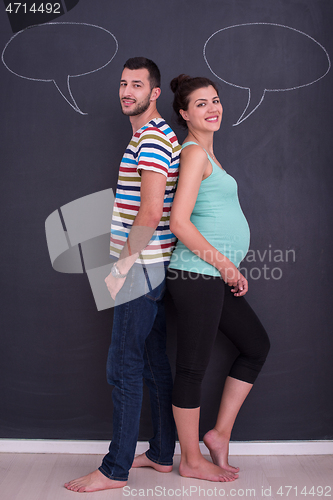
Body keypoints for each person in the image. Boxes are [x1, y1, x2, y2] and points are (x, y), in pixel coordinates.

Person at [65, 57, 180, 493]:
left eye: (137, 85)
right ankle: (162, 453)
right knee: (152, 362)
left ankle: (114, 469)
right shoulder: (154, 136)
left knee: (123, 368)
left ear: (155, 94)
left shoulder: (150, 138)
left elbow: (150, 212)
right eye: (122, 84)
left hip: (139, 268)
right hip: (152, 267)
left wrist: (121, 266)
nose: (126, 91)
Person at [167, 75, 270, 483]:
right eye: (200, 104)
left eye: (215, 100)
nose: (212, 108)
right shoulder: (193, 153)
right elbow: (179, 222)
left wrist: (228, 266)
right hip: (196, 273)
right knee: (192, 368)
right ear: (184, 113)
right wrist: (227, 266)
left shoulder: (208, 154)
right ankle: (190, 460)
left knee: (256, 346)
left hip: (210, 274)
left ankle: (219, 434)